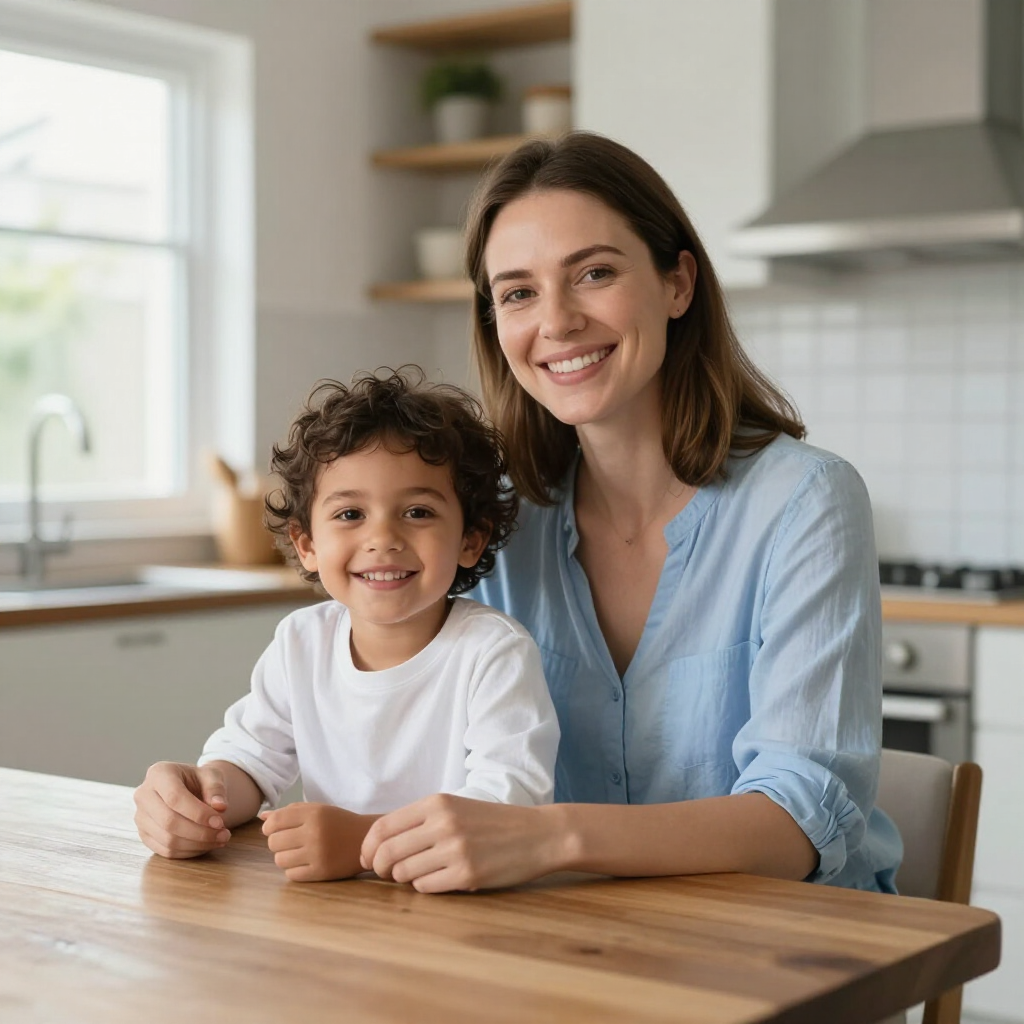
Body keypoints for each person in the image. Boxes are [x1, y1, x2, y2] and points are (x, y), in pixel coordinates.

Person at [358, 131, 902, 895]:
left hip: (781, 952)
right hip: (575, 946)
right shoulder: (492, 521)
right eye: (517, 291)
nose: (557, 321)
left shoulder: (805, 501)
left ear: (678, 284)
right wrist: (226, 780)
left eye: (594, 273)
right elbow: (402, 719)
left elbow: (796, 823)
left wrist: (549, 838)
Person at [133, 371, 560, 882]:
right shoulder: (301, 642)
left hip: (462, 918)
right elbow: (250, 761)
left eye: (418, 511)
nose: (382, 538)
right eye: (351, 512)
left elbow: (506, 809)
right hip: (334, 919)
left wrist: (361, 841)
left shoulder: (494, 652)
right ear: (307, 544)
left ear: (470, 538)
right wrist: (202, 798)